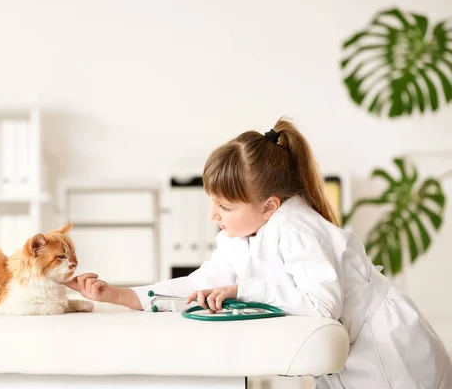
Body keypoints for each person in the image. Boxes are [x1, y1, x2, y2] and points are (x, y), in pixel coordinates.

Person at [65, 117, 452, 388]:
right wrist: (120, 295)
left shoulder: (297, 228)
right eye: (212, 202)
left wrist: (245, 289)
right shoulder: (240, 235)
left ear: (269, 206)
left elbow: (322, 304)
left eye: (225, 207)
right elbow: (203, 282)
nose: (213, 215)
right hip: (351, 356)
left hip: (389, 353)